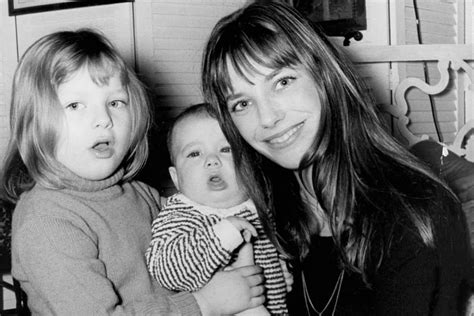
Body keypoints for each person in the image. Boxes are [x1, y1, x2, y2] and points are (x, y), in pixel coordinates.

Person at [201, 2, 473, 315]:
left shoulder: (414, 213)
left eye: (282, 82)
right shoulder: (268, 214)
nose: (267, 118)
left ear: (324, 75)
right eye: (241, 104)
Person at [0, 29, 266, 315]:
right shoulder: (48, 221)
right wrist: (203, 303)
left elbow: (188, 247)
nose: (103, 119)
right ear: (34, 123)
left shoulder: (139, 193)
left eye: (116, 103)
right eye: (75, 105)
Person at [146, 103, 291, 315]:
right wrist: (221, 236)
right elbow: (167, 271)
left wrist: (279, 271)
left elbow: (272, 251)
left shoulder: (259, 209)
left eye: (226, 149)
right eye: (194, 154)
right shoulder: (180, 215)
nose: (212, 161)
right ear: (176, 178)